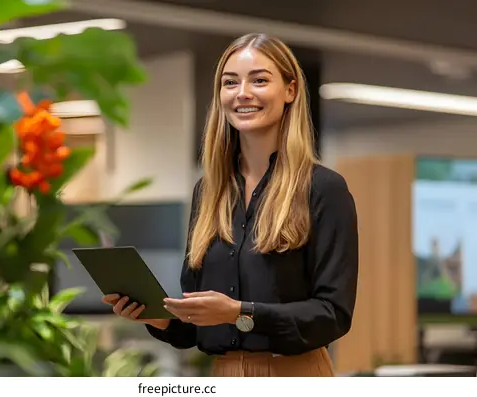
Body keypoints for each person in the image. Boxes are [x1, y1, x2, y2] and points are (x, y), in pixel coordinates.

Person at [102, 33, 358, 377]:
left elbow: (332, 315)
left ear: (291, 91)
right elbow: (194, 328)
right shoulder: (208, 192)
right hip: (224, 374)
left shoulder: (323, 188)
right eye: (230, 82)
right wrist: (156, 315)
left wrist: (241, 311)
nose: (242, 93)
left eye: (260, 80)